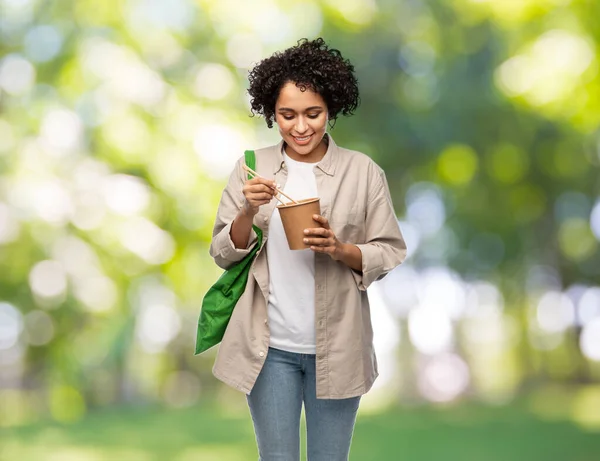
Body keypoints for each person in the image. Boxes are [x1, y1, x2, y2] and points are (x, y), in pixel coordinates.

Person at [208, 38, 407, 461]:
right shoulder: (251, 167)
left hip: (338, 348)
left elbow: (388, 250)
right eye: (287, 115)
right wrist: (248, 208)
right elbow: (224, 252)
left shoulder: (363, 171)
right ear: (271, 113)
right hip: (270, 349)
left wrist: (339, 248)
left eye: (313, 113)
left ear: (331, 109)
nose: (301, 127)